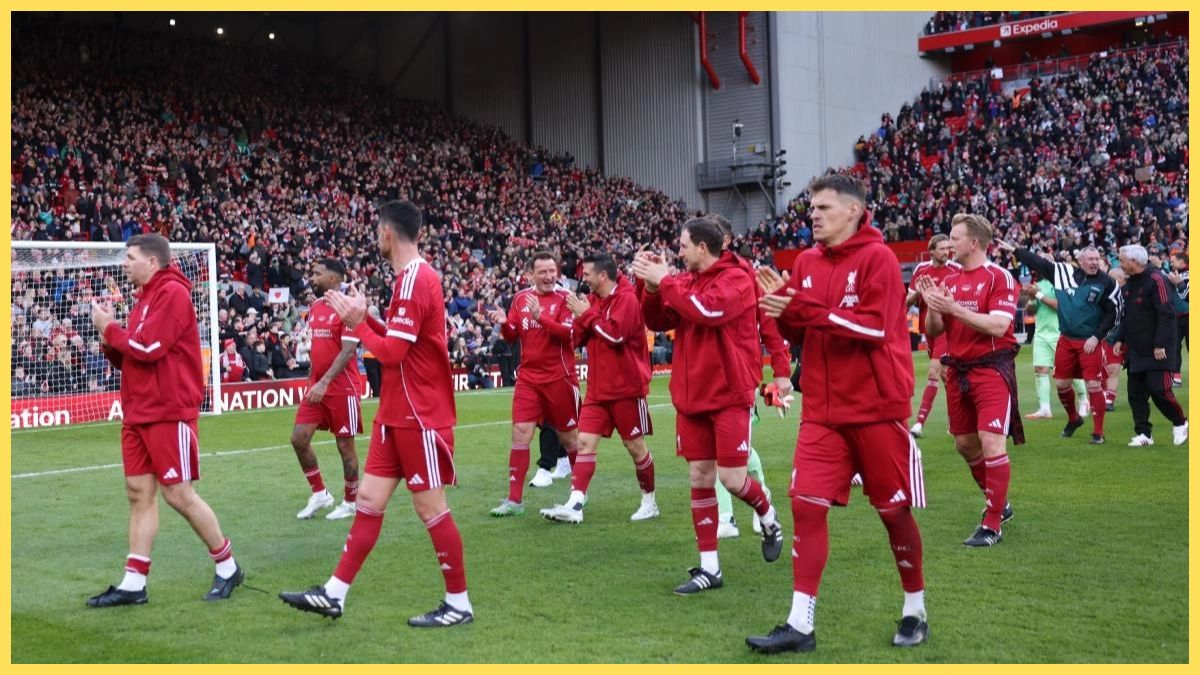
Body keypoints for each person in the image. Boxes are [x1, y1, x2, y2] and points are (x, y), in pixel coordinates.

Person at [749, 175, 926, 653]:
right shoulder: (805, 261)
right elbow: (802, 328)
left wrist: (803, 307)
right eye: (812, 207)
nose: (814, 214)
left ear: (853, 211)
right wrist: (782, 311)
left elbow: (873, 329)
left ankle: (915, 608)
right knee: (806, 506)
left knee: (892, 511)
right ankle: (799, 624)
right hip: (823, 412)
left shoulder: (880, 259)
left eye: (824, 207)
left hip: (876, 409)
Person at [279, 201, 473, 627]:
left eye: (376, 230)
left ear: (387, 232)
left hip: (419, 414)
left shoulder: (417, 279)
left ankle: (459, 604)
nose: (375, 237)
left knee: (431, 509)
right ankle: (334, 593)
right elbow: (401, 341)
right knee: (367, 500)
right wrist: (367, 318)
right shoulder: (407, 279)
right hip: (396, 413)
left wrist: (359, 324)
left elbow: (392, 353)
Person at [87, 233, 243, 607]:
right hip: (138, 412)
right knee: (138, 494)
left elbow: (150, 349)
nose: (124, 263)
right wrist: (111, 344)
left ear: (152, 262)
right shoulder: (143, 301)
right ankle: (133, 583)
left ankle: (227, 566)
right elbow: (135, 357)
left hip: (168, 411)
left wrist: (110, 328)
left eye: (130, 257)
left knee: (179, 494)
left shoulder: (172, 294)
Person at [633, 216, 784, 596]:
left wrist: (664, 280)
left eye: (683, 246)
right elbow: (656, 319)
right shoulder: (685, 280)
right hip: (692, 395)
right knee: (699, 478)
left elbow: (708, 312)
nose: (678, 252)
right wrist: (651, 287)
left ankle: (768, 515)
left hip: (729, 393)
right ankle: (709, 568)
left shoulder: (738, 278)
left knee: (732, 479)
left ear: (703, 247)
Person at [917, 214, 1020, 548]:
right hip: (957, 371)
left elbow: (999, 327)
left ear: (973, 243)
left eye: (955, 238)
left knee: (991, 441)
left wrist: (954, 309)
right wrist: (934, 307)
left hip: (991, 369)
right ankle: (998, 501)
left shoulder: (999, 277)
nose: (950, 244)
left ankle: (991, 525)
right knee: (964, 444)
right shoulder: (951, 280)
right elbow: (934, 331)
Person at [540, 253, 657, 524]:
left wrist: (587, 315)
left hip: (627, 388)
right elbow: (578, 337)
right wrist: (578, 316)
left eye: (588, 274)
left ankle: (649, 501)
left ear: (602, 276)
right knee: (583, 443)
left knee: (635, 447)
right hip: (597, 390)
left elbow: (616, 336)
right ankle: (575, 503)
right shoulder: (592, 302)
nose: (584, 279)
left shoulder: (626, 299)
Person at [711, 215, 793, 540]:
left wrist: (781, 373)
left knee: (730, 456)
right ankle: (737, 512)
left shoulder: (749, 277)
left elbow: (770, 325)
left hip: (741, 378)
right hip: (708, 380)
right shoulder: (697, 277)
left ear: (726, 241)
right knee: (724, 455)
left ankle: (733, 514)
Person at [486, 251, 582, 517]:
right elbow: (511, 336)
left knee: (569, 438)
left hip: (560, 378)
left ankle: (578, 495)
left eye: (552, 271)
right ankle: (514, 501)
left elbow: (567, 334)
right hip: (528, 378)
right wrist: (505, 324)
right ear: (532, 274)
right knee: (520, 434)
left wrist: (541, 317)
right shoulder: (520, 299)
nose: (549, 276)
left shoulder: (566, 299)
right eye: (543, 272)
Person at [997, 239, 1119, 444]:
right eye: (1090, 259)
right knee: (1061, 383)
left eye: (1097, 259)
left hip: (1090, 340)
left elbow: (1113, 313)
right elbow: (1039, 263)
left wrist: (1097, 336)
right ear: (1080, 261)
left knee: (1093, 384)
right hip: (1066, 338)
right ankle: (1074, 418)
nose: (1094, 262)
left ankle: (1098, 432)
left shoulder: (1107, 283)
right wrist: (1016, 250)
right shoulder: (1064, 274)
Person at [290, 259, 361, 521]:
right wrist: (313, 381)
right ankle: (320, 494)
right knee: (299, 438)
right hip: (317, 387)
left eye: (317, 274)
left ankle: (351, 502)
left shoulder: (351, 308)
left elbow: (348, 350)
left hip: (342, 388)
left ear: (333, 279)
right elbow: (318, 350)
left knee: (345, 446)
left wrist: (324, 382)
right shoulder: (316, 307)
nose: (312, 277)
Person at [1113, 245, 1188, 447]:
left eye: (1122, 260)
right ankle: (1144, 434)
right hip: (1137, 350)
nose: (1120, 264)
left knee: (1159, 390)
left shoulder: (1157, 280)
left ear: (1134, 262)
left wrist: (1160, 344)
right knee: (1135, 394)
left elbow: (1166, 313)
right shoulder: (1128, 286)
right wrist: (1120, 339)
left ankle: (1180, 422)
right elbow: (1126, 316)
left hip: (1159, 348)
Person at [905, 234, 960, 437]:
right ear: (932, 251)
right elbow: (906, 303)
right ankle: (956, 421)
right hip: (928, 331)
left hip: (947, 329)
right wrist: (918, 293)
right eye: (942, 249)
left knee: (933, 372)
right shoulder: (921, 270)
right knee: (947, 377)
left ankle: (919, 424)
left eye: (948, 248)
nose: (947, 252)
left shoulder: (956, 270)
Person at [1020, 269, 1088, 419]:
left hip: (1060, 333)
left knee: (1068, 371)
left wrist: (1038, 294)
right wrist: (1031, 298)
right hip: (1041, 333)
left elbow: (1060, 306)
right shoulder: (1038, 284)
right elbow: (1031, 311)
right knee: (1040, 369)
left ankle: (1083, 401)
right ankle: (1045, 408)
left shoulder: (1062, 284)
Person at [1167, 251, 1188, 387]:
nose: (1171, 263)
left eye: (1173, 261)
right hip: (1176, 318)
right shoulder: (1174, 275)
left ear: (1182, 262)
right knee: (1174, 347)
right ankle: (1176, 377)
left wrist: (1179, 282)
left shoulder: (1189, 275)